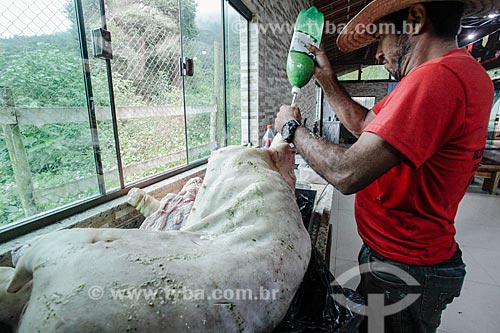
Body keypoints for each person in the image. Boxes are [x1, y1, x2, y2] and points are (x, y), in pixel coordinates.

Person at [275, 0, 496, 332]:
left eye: (380, 38)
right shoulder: (453, 73)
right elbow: (365, 123)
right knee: (372, 326)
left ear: (415, 19)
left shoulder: (439, 78)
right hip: (396, 255)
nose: (378, 54)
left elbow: (347, 173)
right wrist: (326, 79)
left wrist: (292, 130)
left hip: (405, 266)